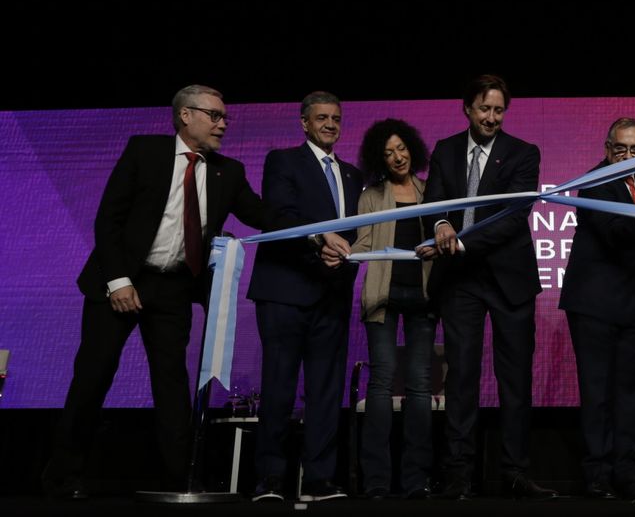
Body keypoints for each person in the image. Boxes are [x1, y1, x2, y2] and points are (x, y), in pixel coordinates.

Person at [42, 85, 294, 498]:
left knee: (172, 385)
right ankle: (61, 477)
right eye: (214, 115)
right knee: (93, 377)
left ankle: (178, 482)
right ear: (185, 116)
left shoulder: (227, 172)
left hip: (173, 287)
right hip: (119, 282)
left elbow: (262, 214)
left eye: (225, 117)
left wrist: (315, 231)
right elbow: (109, 221)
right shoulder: (145, 152)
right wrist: (119, 281)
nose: (223, 124)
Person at [421, 74, 556, 500]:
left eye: (499, 110)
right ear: (467, 108)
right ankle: (459, 473)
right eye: (485, 109)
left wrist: (460, 241)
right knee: (461, 377)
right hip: (460, 282)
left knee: (514, 379)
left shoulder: (523, 153)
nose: (492, 118)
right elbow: (434, 204)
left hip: (509, 281)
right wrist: (442, 225)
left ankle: (515, 472)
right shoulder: (444, 150)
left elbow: (513, 216)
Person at [246, 91, 362, 502]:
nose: (330, 124)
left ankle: (318, 480)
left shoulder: (352, 174)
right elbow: (283, 213)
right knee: (278, 387)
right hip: (285, 292)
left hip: (332, 294)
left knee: (326, 390)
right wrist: (319, 243)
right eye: (322, 118)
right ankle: (271, 480)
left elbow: (358, 231)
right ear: (304, 123)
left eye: (336, 118)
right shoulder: (283, 160)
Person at [559, 118, 635, 500]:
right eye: (621, 148)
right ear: (607, 147)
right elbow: (616, 232)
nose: (628, 156)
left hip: (630, 304)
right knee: (598, 392)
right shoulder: (595, 182)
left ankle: (627, 473)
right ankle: (597, 474)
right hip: (593, 304)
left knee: (629, 393)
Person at [351, 119, 436, 500]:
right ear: (378, 159)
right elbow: (363, 244)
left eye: (401, 148)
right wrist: (341, 250)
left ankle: (416, 479)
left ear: (412, 150)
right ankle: (377, 482)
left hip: (423, 298)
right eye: (388, 152)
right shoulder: (371, 196)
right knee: (381, 384)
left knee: (420, 388)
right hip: (382, 297)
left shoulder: (430, 191)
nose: (397, 156)